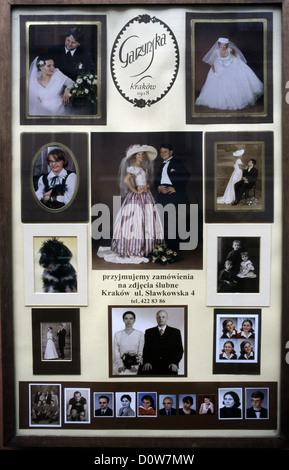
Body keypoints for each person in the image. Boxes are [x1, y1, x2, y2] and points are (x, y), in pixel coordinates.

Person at [97, 144, 164, 264]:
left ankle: (148, 247)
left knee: (149, 218)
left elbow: (147, 182)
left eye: (143, 154)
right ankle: (134, 247)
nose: (141, 156)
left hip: (146, 195)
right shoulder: (132, 168)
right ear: (134, 156)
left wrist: (147, 186)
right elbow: (126, 180)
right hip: (136, 196)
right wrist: (136, 190)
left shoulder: (144, 168)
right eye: (139, 154)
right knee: (135, 219)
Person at [195, 37, 263, 110]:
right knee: (219, 83)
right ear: (219, 45)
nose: (223, 47)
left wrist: (235, 64)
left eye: (225, 45)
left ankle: (236, 100)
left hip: (230, 67)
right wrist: (214, 72)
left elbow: (237, 58)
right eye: (221, 45)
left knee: (233, 83)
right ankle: (222, 101)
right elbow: (212, 63)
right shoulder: (215, 51)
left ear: (227, 45)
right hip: (220, 68)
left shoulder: (230, 50)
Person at [154, 143, 190, 251]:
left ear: (171, 152)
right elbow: (156, 181)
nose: (162, 154)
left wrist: (176, 188)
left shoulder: (177, 163)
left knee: (173, 220)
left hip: (174, 194)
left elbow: (186, 175)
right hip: (162, 195)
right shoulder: (161, 165)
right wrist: (158, 187)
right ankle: (164, 245)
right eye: (161, 152)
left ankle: (173, 248)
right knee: (162, 220)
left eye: (165, 151)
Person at [139, 309, 183, 375]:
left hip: (170, 366)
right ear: (156, 318)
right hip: (152, 366)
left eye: (163, 317)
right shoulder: (149, 332)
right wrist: (147, 362)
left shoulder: (175, 332)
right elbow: (146, 349)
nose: (161, 319)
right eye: (159, 317)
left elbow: (179, 350)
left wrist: (175, 363)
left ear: (167, 318)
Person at [113, 311, 144, 375]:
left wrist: (135, 366)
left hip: (136, 363)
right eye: (126, 318)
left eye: (131, 318)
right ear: (123, 320)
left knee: (135, 374)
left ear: (134, 320)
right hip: (121, 363)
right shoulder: (117, 334)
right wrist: (120, 365)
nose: (128, 321)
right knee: (121, 374)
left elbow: (141, 351)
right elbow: (116, 353)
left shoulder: (140, 334)